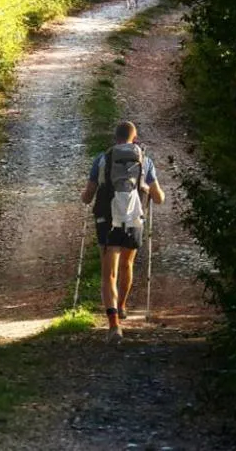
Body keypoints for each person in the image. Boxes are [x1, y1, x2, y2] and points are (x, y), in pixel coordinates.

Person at [80, 121, 165, 342]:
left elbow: (88, 196)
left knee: (109, 274)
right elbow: (158, 198)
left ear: (114, 138)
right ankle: (122, 305)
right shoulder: (145, 161)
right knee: (127, 265)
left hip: (108, 220)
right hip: (133, 220)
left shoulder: (102, 159)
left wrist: (87, 196)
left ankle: (114, 325)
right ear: (134, 138)